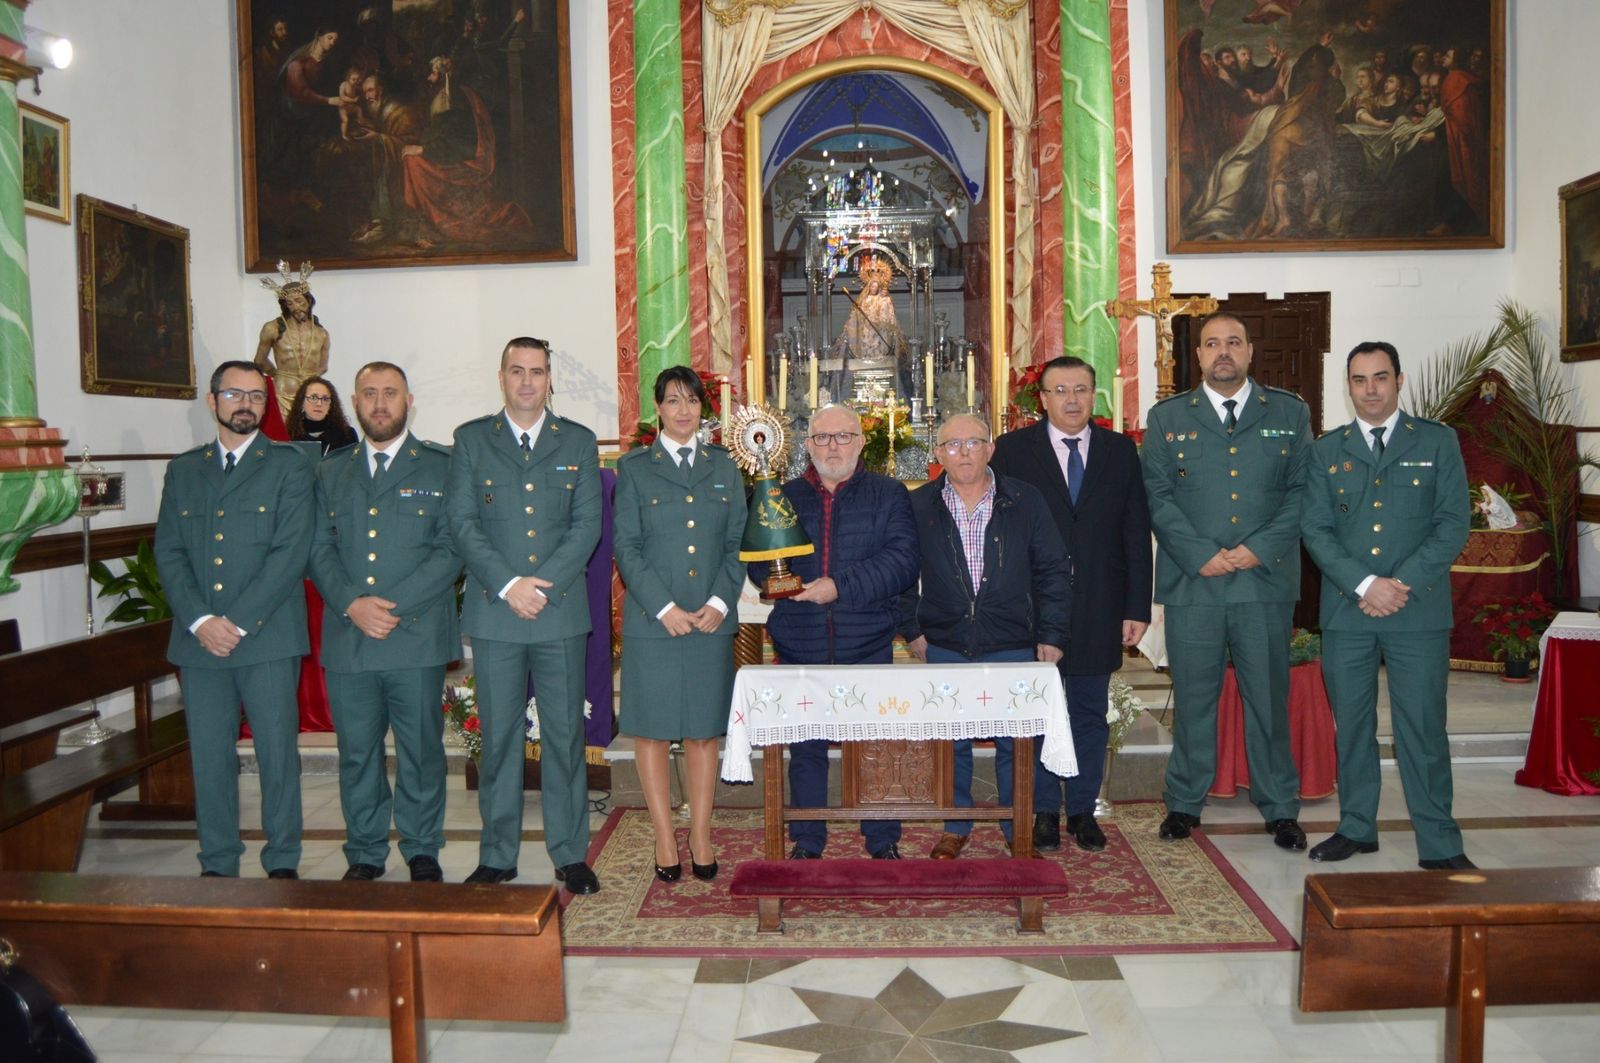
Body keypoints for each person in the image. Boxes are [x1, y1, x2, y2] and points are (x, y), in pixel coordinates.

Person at [1301, 341, 1474, 870]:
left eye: (1380, 378)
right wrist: (1364, 584)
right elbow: (1316, 529)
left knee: (1421, 726)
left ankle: (1440, 841)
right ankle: (1357, 827)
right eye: (1359, 379)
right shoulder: (1325, 451)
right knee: (1351, 725)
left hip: (1415, 610)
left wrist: (1397, 584)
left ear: (1399, 380)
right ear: (1347, 385)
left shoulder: (1437, 442)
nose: (1370, 389)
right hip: (1349, 612)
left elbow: (1452, 525)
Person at [1141, 312, 1311, 851]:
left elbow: (1303, 493)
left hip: (1264, 583)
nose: (1222, 352)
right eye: (1212, 343)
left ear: (1250, 351)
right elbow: (1158, 497)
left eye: (1233, 342)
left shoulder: (1288, 411)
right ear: (1197, 356)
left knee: (1268, 697)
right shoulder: (1169, 418)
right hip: (1197, 585)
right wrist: (1200, 555)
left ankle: (1280, 805)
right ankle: (1185, 803)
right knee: (1193, 699)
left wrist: (1256, 549)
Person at [446, 337, 602, 891]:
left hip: (558, 612)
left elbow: (587, 526)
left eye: (538, 371)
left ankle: (569, 853)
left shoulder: (578, 442)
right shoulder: (471, 441)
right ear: (502, 376)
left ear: (550, 378)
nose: (528, 381)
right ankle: (497, 854)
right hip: (496, 613)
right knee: (500, 739)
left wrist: (543, 585)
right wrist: (511, 585)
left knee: (563, 739)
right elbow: (462, 524)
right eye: (518, 371)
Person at [153, 361, 314, 878]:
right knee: (209, 757)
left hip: (266, 638)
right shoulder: (184, 469)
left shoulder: (289, 466)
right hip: (199, 642)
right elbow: (170, 552)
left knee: (276, 754)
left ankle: (282, 859)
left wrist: (236, 622)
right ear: (212, 400)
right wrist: (201, 619)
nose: (246, 403)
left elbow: (290, 553)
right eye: (234, 394)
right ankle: (218, 860)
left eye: (256, 396)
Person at [990, 356, 1152, 853]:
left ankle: (1081, 809)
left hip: (1101, 605)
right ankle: (1041, 810)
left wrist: (1137, 608)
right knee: (1036, 714)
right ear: (1042, 398)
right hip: (1032, 609)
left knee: (1087, 712)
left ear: (1095, 394)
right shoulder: (1013, 451)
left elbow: (1134, 531)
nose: (1072, 400)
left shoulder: (1119, 451)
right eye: (1060, 390)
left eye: (1081, 389)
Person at [309, 361, 461, 883]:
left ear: (408, 401)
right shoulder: (331, 470)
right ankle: (366, 851)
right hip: (350, 635)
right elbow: (318, 546)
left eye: (390, 393)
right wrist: (352, 603)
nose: (379, 403)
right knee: (356, 754)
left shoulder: (442, 466)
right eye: (369, 394)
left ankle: (422, 847)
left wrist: (391, 607)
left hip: (413, 635)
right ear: (355, 402)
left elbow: (450, 548)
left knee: (421, 750)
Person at [748, 404, 919, 859]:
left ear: (862, 441)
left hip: (866, 640)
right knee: (805, 750)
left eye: (843, 436)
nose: (833, 446)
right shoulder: (780, 495)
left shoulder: (888, 493)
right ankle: (808, 839)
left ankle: (882, 840)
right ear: (807, 445)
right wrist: (772, 579)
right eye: (822, 438)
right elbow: (761, 562)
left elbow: (902, 562)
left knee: (875, 749)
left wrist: (837, 587)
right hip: (800, 639)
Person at [897, 414, 1070, 858]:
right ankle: (956, 825)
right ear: (937, 454)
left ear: (990, 449)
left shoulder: (1024, 500)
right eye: (952, 445)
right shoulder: (919, 506)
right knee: (950, 740)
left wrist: (1051, 633)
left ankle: (1018, 829)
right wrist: (913, 629)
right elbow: (899, 575)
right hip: (947, 642)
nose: (964, 452)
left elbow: (1052, 570)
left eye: (973, 442)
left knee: (1017, 742)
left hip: (1013, 640)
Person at [613, 367, 747, 882]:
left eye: (692, 400)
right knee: (651, 731)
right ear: (658, 409)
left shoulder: (724, 466)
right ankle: (665, 835)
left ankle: (702, 832)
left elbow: (737, 543)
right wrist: (664, 608)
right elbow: (628, 546)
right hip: (655, 623)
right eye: (673, 401)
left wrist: (718, 600)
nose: (684, 410)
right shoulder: (635, 469)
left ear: (703, 408)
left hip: (711, 620)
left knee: (702, 733)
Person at [254, 272, 331, 422]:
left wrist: (310, 380)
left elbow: (323, 367)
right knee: (282, 438)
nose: (296, 307)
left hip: (311, 398)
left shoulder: (322, 334)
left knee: (310, 438)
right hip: (282, 394)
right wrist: (278, 375)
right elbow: (259, 360)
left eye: (299, 301)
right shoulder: (273, 329)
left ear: (309, 301)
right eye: (290, 303)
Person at [286, 376, 358, 456]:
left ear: (331, 405)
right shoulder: (289, 434)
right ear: (302, 402)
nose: (319, 404)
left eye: (325, 399)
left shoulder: (347, 435)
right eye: (313, 398)